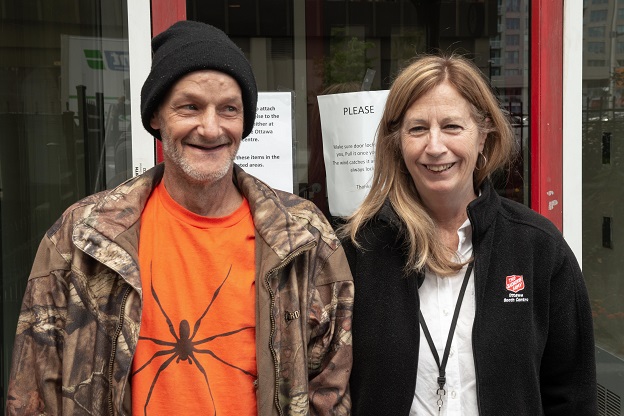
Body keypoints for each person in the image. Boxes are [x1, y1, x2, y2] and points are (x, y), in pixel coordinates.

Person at [7, 20, 353, 416]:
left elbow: (331, 390)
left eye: (229, 109)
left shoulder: (305, 237)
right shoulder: (83, 236)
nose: (211, 128)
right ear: (156, 115)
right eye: (190, 106)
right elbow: (33, 390)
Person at [340, 54, 597, 415]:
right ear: (397, 142)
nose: (434, 146)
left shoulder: (538, 248)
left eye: (452, 127)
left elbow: (571, 395)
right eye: (417, 129)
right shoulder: (357, 251)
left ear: (483, 135)